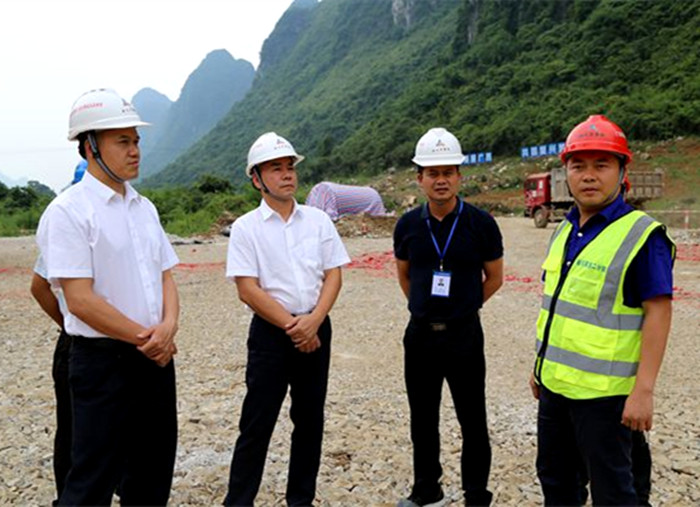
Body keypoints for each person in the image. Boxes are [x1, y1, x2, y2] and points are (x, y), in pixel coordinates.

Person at [36, 88, 180, 505]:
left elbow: (166, 276)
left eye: (136, 140)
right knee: (92, 479)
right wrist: (147, 338)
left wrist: (168, 328)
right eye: (122, 141)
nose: (135, 150)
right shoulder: (68, 211)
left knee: (152, 473)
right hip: (103, 361)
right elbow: (80, 300)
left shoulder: (144, 208)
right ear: (90, 147)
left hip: (156, 358)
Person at [530, 115, 674, 505]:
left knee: (615, 492)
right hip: (555, 388)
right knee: (556, 482)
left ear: (622, 171)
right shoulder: (565, 229)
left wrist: (643, 391)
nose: (589, 175)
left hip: (606, 399)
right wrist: (540, 365)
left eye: (602, 165)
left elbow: (658, 312)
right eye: (578, 165)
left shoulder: (642, 235)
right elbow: (557, 306)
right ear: (566, 172)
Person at [223, 132, 350, 506]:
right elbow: (247, 289)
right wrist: (295, 327)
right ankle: (238, 501)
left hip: (317, 327)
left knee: (309, 421)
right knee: (257, 422)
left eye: (290, 167)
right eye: (276, 168)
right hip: (271, 335)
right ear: (256, 179)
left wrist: (314, 320)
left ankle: (300, 500)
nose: (287, 174)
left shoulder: (318, 221)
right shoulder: (246, 228)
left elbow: (334, 274)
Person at [393, 127, 504, 507]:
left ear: (459, 176)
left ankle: (477, 495)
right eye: (432, 173)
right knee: (422, 419)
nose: (440, 180)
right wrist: (426, 308)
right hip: (420, 336)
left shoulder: (481, 223)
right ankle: (427, 490)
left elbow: (495, 278)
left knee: (472, 419)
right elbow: (405, 276)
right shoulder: (408, 225)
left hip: (464, 335)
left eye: (447, 172)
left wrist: (464, 307)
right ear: (419, 178)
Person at [30, 163, 86, 505]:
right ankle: (67, 496)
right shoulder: (66, 224)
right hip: (78, 341)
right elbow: (39, 287)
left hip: (116, 340)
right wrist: (68, 323)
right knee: (73, 426)